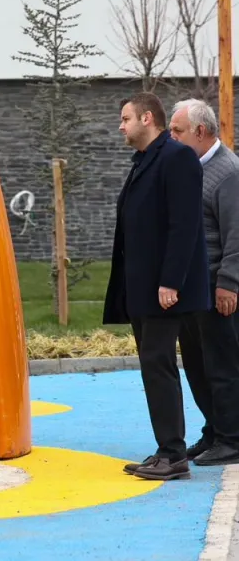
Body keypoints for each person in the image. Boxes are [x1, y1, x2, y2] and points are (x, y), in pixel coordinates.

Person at [106, 92, 210, 481]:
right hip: (143, 290)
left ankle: (174, 454)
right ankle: (166, 449)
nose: (121, 126)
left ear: (147, 118)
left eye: (126, 118)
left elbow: (185, 225)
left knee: (159, 365)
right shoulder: (147, 160)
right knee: (153, 367)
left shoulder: (177, 157)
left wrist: (170, 281)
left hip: (163, 292)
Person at [167, 99, 239, 466]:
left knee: (223, 367)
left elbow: (237, 235)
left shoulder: (228, 172)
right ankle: (214, 431)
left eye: (177, 130)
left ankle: (232, 439)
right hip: (192, 288)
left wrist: (229, 282)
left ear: (200, 131)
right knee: (198, 367)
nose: (171, 137)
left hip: (216, 287)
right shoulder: (190, 168)